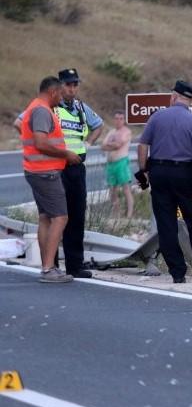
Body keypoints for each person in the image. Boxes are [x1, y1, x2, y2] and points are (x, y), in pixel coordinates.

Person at [14, 68, 103, 278]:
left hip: (75, 166)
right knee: (55, 216)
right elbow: (21, 123)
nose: (72, 89)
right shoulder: (47, 107)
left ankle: (74, 264)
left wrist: (88, 143)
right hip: (54, 166)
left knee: (76, 216)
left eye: (75, 85)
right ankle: (50, 265)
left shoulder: (80, 107)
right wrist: (38, 146)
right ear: (58, 87)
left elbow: (98, 126)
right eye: (68, 85)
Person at [136, 80, 192, 283]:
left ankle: (177, 272)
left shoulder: (156, 118)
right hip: (185, 175)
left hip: (159, 174)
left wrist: (144, 170)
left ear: (173, 96)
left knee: (166, 223)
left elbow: (143, 145)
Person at [19, 76, 82, 283]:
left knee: (46, 217)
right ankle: (48, 268)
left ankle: (48, 266)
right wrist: (66, 155)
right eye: (60, 95)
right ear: (53, 92)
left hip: (38, 170)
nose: (61, 99)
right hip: (45, 172)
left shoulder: (38, 108)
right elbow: (41, 143)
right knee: (60, 217)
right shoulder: (41, 110)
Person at [101, 111, 134, 218]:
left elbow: (119, 145)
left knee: (126, 188)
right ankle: (116, 214)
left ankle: (129, 214)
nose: (118, 121)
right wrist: (112, 145)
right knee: (112, 189)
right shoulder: (111, 132)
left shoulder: (126, 131)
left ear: (124, 120)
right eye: (116, 118)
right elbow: (103, 146)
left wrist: (110, 145)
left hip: (122, 162)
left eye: (121, 118)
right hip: (111, 164)